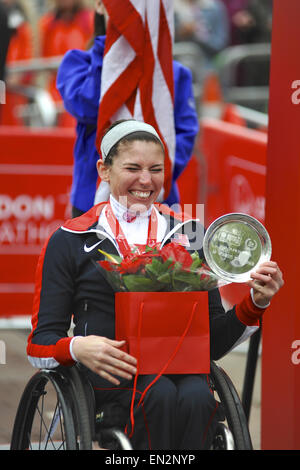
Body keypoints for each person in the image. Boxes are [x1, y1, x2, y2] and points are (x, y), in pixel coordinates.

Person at [27, 119, 284, 450]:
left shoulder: (190, 235)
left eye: (156, 169)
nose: (146, 180)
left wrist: (255, 303)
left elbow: (212, 345)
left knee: (197, 398)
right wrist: (78, 347)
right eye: (133, 167)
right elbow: (40, 343)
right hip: (111, 379)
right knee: (158, 395)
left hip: (181, 375)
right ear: (104, 170)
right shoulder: (70, 239)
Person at [56, 0, 199, 218]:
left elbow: (184, 135)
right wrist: (110, 52)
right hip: (92, 197)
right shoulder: (77, 63)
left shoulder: (172, 74)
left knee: (161, 253)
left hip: (157, 199)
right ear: (100, 7)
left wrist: (149, 176)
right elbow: (87, 106)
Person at [38, 0, 94, 126]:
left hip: (83, 88)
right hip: (55, 91)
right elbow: (45, 57)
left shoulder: (89, 21)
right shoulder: (48, 24)